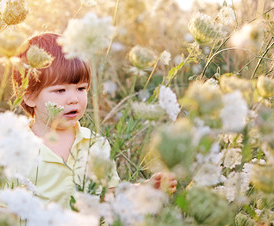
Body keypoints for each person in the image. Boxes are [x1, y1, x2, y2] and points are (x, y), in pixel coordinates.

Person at [10, 33, 176, 209]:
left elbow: (109, 196)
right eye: (60, 91)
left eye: (81, 88)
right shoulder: (16, 150)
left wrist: (145, 189)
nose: (73, 99)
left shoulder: (96, 145)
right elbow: (2, 210)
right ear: (29, 96)